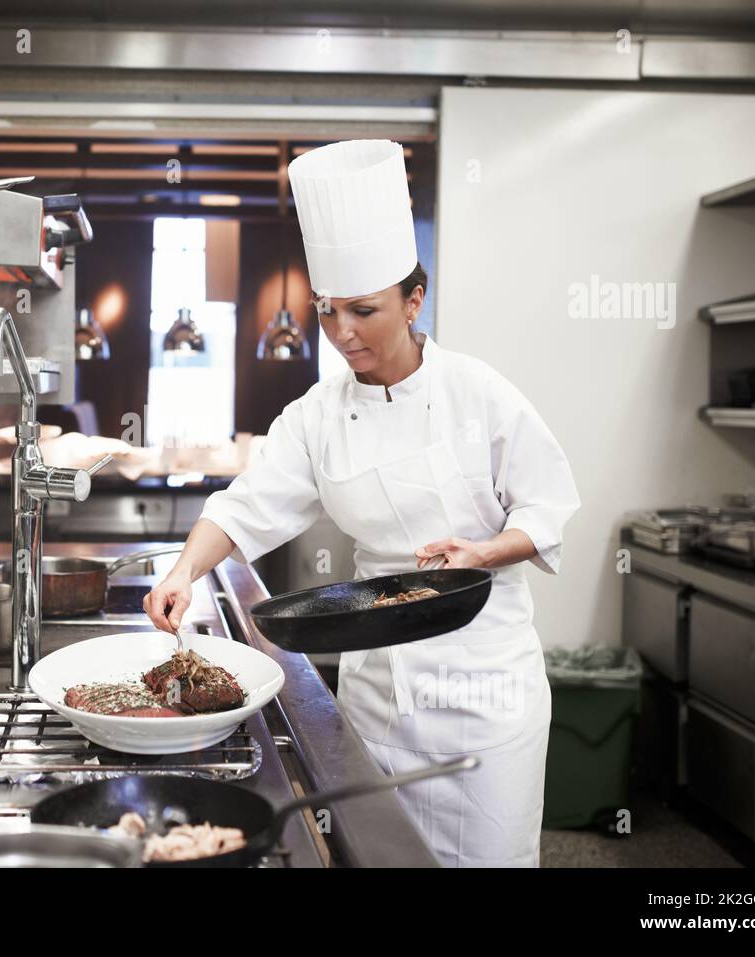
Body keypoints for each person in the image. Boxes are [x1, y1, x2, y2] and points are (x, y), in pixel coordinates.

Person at [143, 139, 580, 867]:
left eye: (364, 310)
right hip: (377, 696)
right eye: (327, 311)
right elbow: (246, 503)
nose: (343, 332)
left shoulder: (480, 395)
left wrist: (482, 552)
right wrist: (183, 571)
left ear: (414, 301)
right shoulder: (318, 413)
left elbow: (548, 507)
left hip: (483, 697)